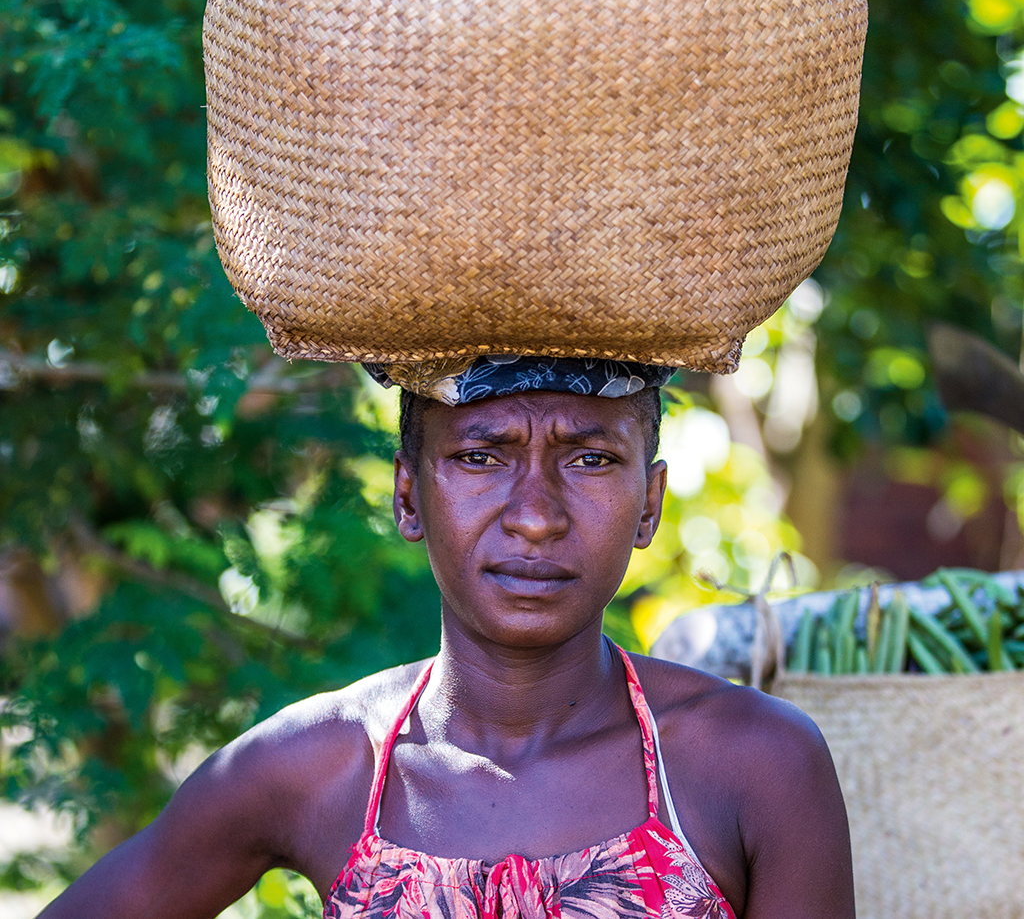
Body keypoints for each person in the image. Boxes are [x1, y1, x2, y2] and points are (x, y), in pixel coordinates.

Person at [38, 357, 855, 919]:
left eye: (592, 460)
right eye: (479, 456)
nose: (535, 514)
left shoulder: (753, 765)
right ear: (406, 496)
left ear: (650, 504)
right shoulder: (324, 766)